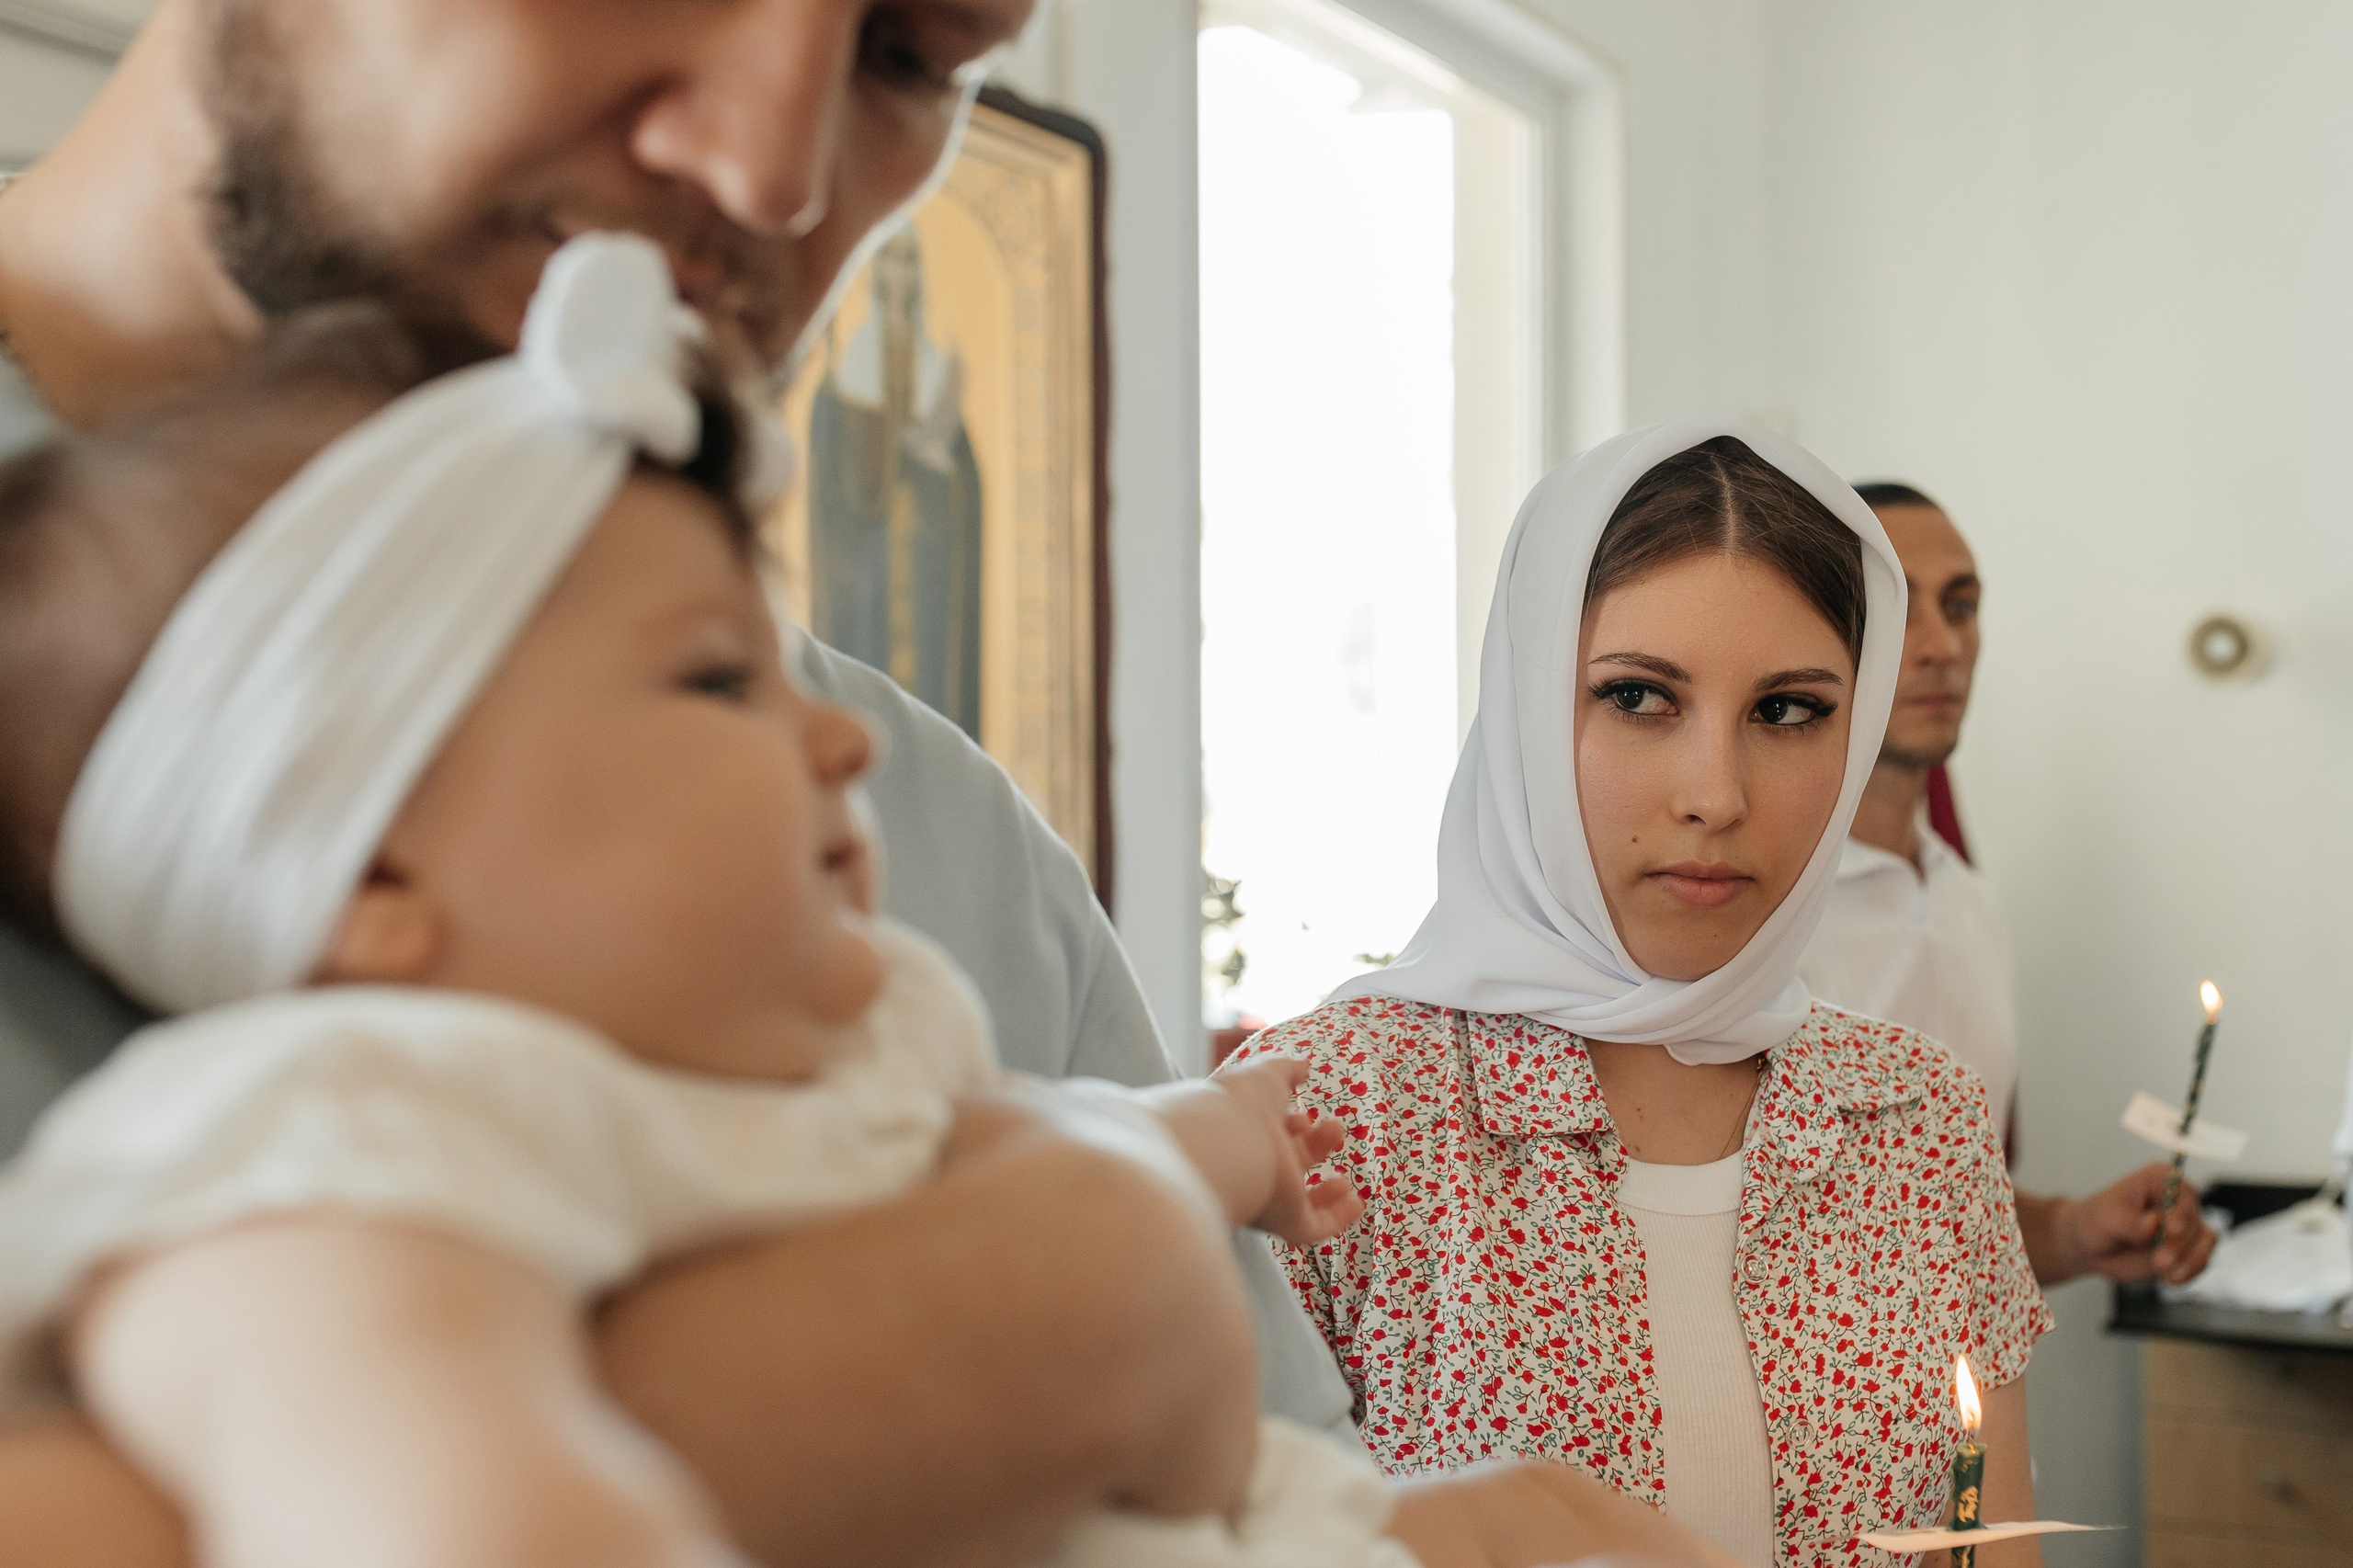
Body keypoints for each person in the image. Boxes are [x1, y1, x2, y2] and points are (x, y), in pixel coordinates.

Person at [0, 5, 1711, 1565]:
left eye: (909, 53)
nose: (774, 166)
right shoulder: (315, 1143)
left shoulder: (942, 840)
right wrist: (1073, 1298)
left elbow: (1264, 1487)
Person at [1233, 426, 2052, 1568]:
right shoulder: (1333, 1115)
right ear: (1525, 710)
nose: (1715, 794)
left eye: (1788, 710)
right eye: (1637, 696)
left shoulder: (1916, 1118)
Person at [1798, 482, 2217, 1289]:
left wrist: (2076, 1231)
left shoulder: (1965, 902)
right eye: (1893, 608)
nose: (1941, 646)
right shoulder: (1763, 916)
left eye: (1960, 607)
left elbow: (1952, 1220)